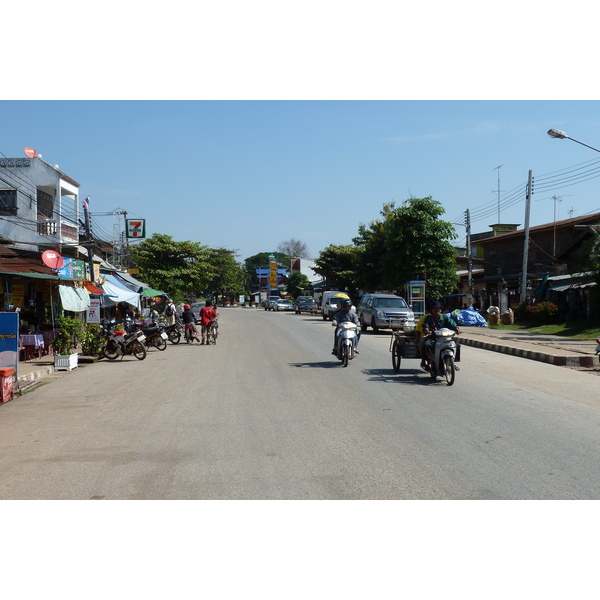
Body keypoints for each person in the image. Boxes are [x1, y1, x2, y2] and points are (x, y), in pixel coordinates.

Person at [422, 300, 461, 369]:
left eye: (438, 308)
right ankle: (429, 361)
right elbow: (426, 326)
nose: (436, 310)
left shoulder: (445, 317)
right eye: (434, 308)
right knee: (426, 345)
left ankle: (452, 361)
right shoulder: (428, 318)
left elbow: (453, 324)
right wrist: (427, 330)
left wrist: (457, 329)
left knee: (457, 345)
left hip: (445, 339)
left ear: (441, 310)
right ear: (431, 310)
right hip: (433, 339)